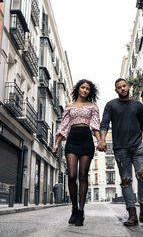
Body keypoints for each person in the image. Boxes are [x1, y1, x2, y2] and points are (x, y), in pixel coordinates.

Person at [97, 78, 143, 227]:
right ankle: (132, 215)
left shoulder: (137, 105)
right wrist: (102, 140)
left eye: (124, 86)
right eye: (119, 87)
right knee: (126, 181)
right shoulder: (111, 105)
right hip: (120, 149)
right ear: (116, 90)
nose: (122, 89)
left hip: (138, 146)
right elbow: (104, 123)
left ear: (128, 86)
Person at [52, 79, 101, 226]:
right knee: (72, 175)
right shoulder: (69, 106)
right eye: (83, 87)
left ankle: (80, 211)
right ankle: (74, 207)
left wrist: (100, 141)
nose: (85, 90)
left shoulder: (93, 106)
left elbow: (95, 126)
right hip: (72, 140)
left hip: (86, 140)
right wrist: (56, 144)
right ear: (78, 89)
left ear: (90, 91)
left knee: (83, 176)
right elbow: (64, 126)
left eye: (87, 89)